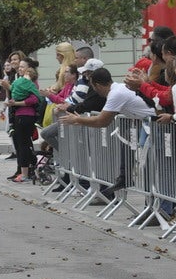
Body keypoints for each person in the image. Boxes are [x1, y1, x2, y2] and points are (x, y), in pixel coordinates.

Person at [59, 68, 155, 196]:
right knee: (126, 138)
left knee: (150, 166)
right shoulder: (118, 89)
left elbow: (102, 121)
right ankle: (124, 176)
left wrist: (78, 119)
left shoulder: (116, 94)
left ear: (97, 85)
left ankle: (131, 182)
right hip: (146, 124)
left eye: (93, 87)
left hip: (153, 125)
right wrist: (80, 120)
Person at [6, 59, 41, 182]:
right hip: (19, 115)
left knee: (23, 145)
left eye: (22, 67)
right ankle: (26, 171)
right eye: (19, 67)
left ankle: (25, 173)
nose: (20, 69)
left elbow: (34, 99)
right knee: (21, 145)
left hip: (25, 117)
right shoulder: (20, 82)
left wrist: (16, 103)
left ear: (29, 69)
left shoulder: (31, 82)